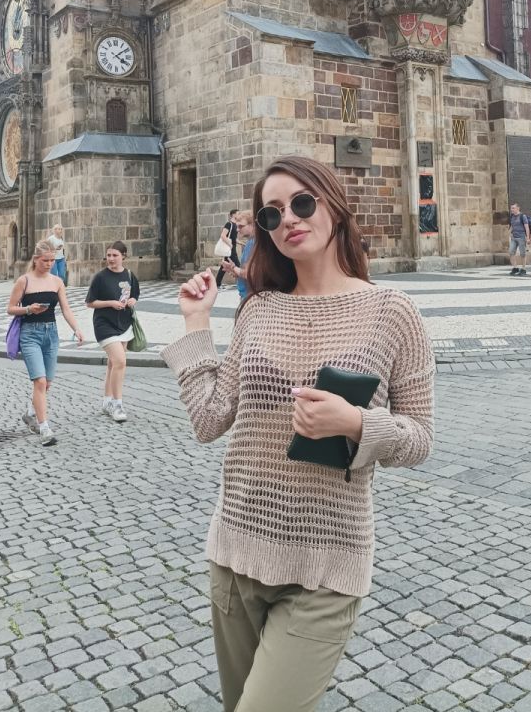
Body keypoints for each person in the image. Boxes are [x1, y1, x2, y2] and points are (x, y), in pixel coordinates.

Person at [162, 155, 434, 712]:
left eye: (301, 203)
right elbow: (210, 420)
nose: (288, 218)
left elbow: (420, 437)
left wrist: (356, 424)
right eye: (271, 214)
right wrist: (195, 325)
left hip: (326, 566)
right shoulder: (258, 309)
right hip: (236, 552)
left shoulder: (392, 311)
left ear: (333, 205)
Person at [6, 240, 84, 447]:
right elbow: (10, 308)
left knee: (47, 383)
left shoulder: (57, 281)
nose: (49, 264)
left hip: (51, 334)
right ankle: (45, 428)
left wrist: (76, 328)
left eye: (52, 260)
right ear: (35, 259)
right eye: (45, 260)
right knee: (39, 381)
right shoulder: (24, 281)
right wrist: (28, 309)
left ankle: (31, 412)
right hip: (29, 334)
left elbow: (66, 309)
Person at [86, 241, 140, 422]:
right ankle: (117, 405)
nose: (110, 258)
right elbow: (90, 302)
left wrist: (132, 301)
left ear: (123, 256)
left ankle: (107, 401)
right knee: (120, 362)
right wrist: (110, 303)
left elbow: (135, 295)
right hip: (104, 324)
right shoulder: (100, 277)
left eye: (115, 255)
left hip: (124, 324)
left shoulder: (129, 275)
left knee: (112, 364)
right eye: (108, 255)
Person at [220, 210, 254, 301]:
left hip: (250, 297)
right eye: (237, 226)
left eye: (241, 226)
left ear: (253, 225)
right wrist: (234, 270)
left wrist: (233, 268)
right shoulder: (250, 242)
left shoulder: (254, 243)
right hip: (247, 295)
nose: (237, 229)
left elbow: (248, 273)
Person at [215, 209, 239, 289]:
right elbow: (223, 235)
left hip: (232, 248)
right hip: (230, 249)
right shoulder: (229, 224)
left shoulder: (235, 225)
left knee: (223, 266)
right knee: (237, 265)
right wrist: (230, 245)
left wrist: (242, 243)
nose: (239, 215)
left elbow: (233, 238)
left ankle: (217, 283)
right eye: (238, 213)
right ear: (233, 215)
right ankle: (242, 283)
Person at [508, 203, 531, 276]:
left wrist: (528, 237)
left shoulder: (522, 216)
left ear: (518, 208)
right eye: (511, 208)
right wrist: (509, 233)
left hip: (521, 237)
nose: (511, 209)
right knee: (511, 252)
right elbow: (512, 226)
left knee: (522, 253)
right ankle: (515, 268)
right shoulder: (512, 216)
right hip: (514, 237)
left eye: (513, 208)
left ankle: (523, 269)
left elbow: (527, 227)